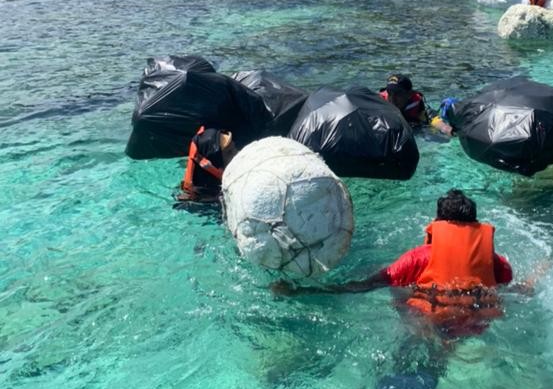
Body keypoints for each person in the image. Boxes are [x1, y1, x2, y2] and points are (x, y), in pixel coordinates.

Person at [273, 189, 513, 335]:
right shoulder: (495, 262)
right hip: (478, 325)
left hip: (430, 323)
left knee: (397, 291)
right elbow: (510, 288)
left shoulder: (419, 257)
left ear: (438, 223)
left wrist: (302, 291)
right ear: (475, 225)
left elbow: (366, 286)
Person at [177, 126, 238, 203]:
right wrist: (214, 170)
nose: (237, 153)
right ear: (216, 160)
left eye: (235, 147)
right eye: (229, 152)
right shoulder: (203, 199)